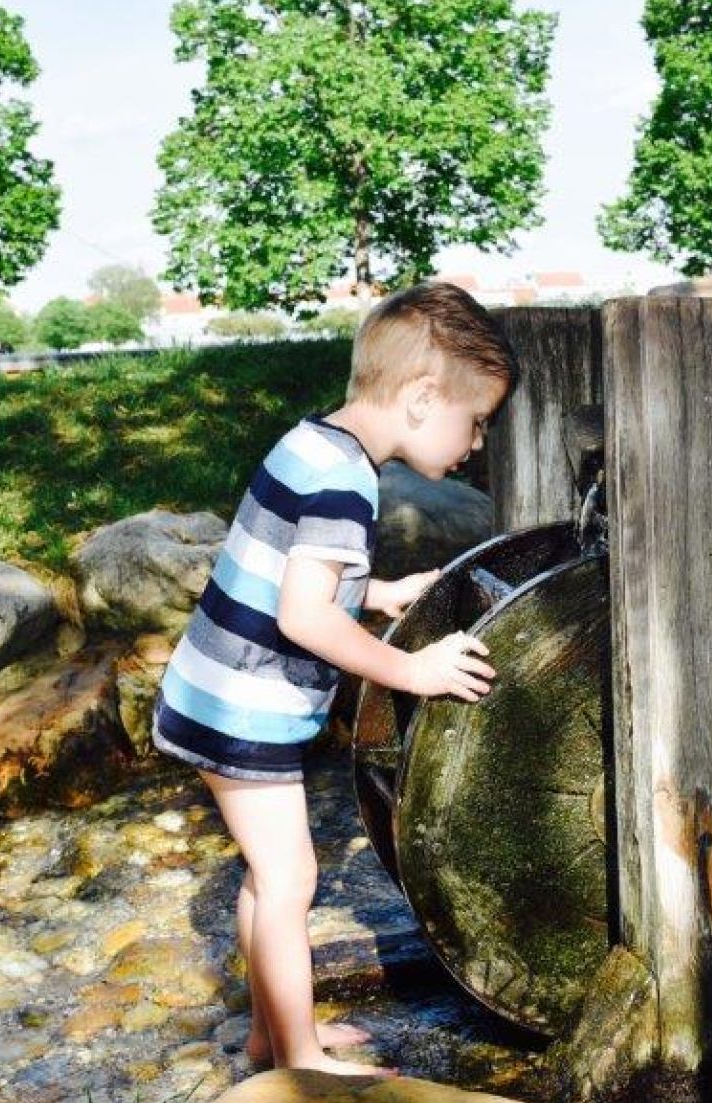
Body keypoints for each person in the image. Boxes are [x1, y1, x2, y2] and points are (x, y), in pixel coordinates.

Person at [151, 281, 512, 1077]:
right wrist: (410, 668)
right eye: (476, 418)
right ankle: (304, 1061)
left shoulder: (314, 441)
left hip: (212, 692)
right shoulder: (348, 482)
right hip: (243, 705)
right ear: (423, 398)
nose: (478, 442)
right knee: (291, 876)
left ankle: (269, 1035)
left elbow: (296, 569)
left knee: (266, 872)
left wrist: (378, 593)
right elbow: (304, 617)